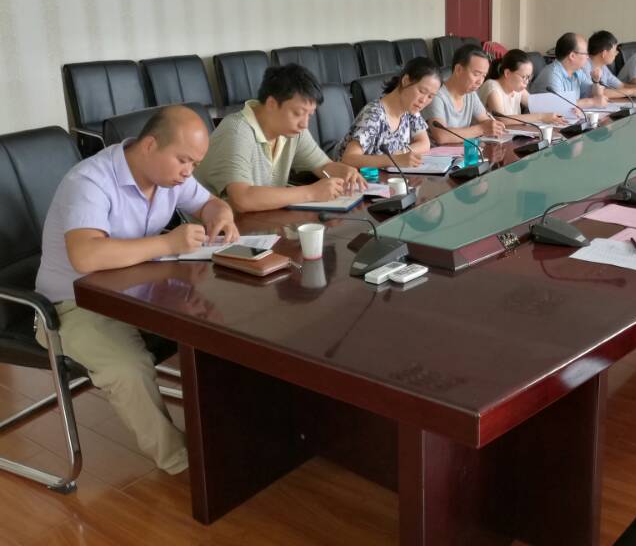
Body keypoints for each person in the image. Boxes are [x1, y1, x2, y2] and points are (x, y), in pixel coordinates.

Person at [34, 105, 240, 475]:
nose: (188, 172)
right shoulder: (90, 181)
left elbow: (210, 202)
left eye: (194, 164)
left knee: (219, 323)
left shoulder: (170, 176)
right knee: (128, 368)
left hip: (136, 288)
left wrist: (220, 216)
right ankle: (185, 465)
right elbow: (86, 255)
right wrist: (168, 243)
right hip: (72, 305)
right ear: (149, 145)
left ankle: (233, 430)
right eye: (183, 161)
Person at [195, 64, 363, 212]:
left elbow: (323, 166)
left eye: (310, 115)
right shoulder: (237, 131)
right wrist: (311, 192)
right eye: (298, 113)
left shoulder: (292, 130)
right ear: (271, 104)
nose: (304, 124)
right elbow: (242, 198)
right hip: (213, 231)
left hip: (261, 222)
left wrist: (345, 171)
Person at [336, 57, 440, 169]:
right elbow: (349, 159)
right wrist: (394, 160)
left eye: (430, 97)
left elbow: (424, 143)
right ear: (405, 81)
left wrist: (402, 153)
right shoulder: (374, 115)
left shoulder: (411, 110)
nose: (423, 100)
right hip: (350, 176)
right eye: (422, 91)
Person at [422, 44, 506, 145]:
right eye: (476, 74)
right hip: (438, 153)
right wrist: (482, 129)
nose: (480, 81)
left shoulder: (470, 94)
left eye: (484, 76)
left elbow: (485, 120)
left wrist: (492, 126)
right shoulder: (436, 95)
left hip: (462, 151)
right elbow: (442, 136)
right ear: (458, 69)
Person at [477, 49, 565, 125]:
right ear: (507, 73)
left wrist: (564, 110)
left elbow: (538, 106)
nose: (527, 82)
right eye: (524, 77)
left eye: (529, 77)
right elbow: (502, 119)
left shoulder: (517, 89)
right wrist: (541, 117)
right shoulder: (492, 86)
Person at [528, 32, 609, 108]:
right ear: (572, 56)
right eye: (586, 53)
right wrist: (592, 102)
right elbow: (559, 105)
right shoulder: (552, 74)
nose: (588, 57)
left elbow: (595, 96)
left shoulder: (577, 72)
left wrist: (596, 81)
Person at [583, 31, 636, 98]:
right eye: (615, 50)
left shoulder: (603, 67)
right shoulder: (584, 65)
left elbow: (621, 85)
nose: (617, 53)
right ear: (604, 53)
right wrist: (633, 91)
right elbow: (597, 93)